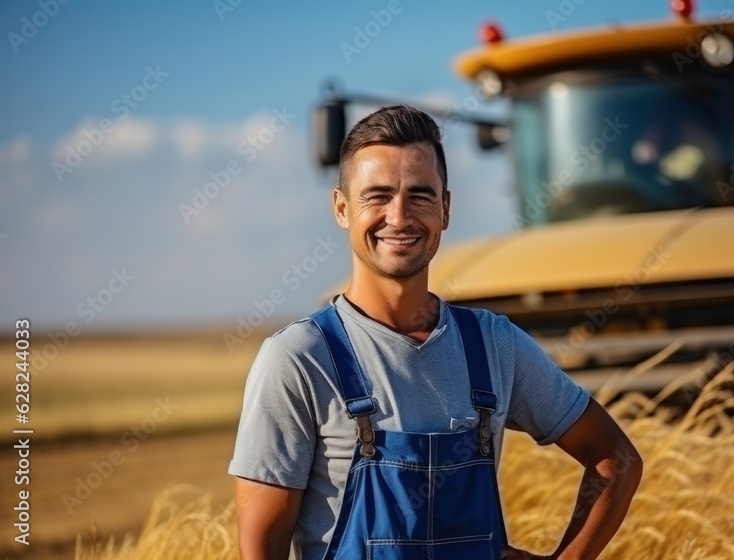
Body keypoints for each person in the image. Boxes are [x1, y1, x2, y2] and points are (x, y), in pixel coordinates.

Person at [228, 105, 643, 560]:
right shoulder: (299, 360)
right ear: (342, 208)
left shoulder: (493, 346)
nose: (400, 216)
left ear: (445, 209)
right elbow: (260, 549)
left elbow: (616, 460)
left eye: (420, 196)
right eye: (377, 197)